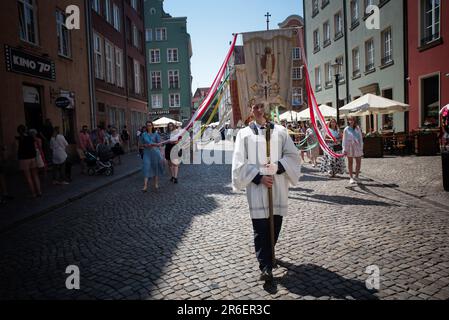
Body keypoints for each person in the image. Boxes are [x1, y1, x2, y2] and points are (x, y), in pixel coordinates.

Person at [232, 102, 301, 283]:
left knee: (275, 225)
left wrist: (277, 168)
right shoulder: (243, 134)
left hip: (277, 186)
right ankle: (265, 266)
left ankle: (269, 256)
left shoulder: (280, 131)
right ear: (250, 110)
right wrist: (259, 177)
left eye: (262, 106)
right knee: (261, 228)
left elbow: (293, 155)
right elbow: (239, 162)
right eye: (255, 107)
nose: (259, 110)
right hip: (257, 188)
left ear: (267, 110)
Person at [16, 125, 42, 198]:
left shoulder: (19, 139)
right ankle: (39, 192)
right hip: (32, 158)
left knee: (28, 177)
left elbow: (17, 150)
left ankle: (33, 193)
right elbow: (35, 146)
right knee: (35, 175)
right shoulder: (31, 137)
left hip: (24, 159)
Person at [140, 121, 164, 192]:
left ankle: (156, 184)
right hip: (147, 153)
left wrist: (153, 144)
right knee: (146, 168)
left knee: (155, 168)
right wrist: (145, 145)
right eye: (147, 125)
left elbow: (160, 144)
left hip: (155, 153)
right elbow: (140, 145)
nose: (149, 127)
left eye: (150, 125)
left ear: (152, 126)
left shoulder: (156, 134)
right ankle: (145, 186)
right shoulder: (143, 134)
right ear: (146, 127)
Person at [343, 116, 364, 185]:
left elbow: (360, 138)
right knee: (350, 162)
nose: (351, 121)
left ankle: (357, 176)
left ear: (354, 121)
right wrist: (344, 149)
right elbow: (344, 140)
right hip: (349, 147)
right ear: (348, 121)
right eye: (349, 120)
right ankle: (351, 177)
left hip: (357, 146)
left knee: (358, 162)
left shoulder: (358, 128)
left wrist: (361, 147)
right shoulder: (346, 129)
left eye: (352, 120)